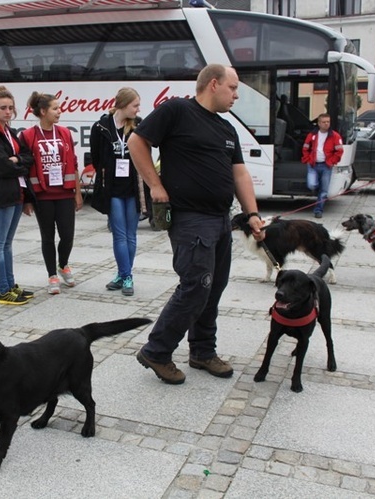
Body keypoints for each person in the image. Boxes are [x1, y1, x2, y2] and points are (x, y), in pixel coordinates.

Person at [128, 64, 264, 385]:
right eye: (232, 88)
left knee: (212, 289)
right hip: (191, 219)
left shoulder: (227, 129)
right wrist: (155, 185)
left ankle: (202, 352)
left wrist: (253, 214)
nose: (236, 95)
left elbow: (240, 173)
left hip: (221, 220)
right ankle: (157, 351)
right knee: (195, 286)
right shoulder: (177, 110)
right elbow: (138, 142)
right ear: (213, 84)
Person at [20, 91, 82, 294]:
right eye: (55, 108)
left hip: (64, 193)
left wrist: (78, 193)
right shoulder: (28, 136)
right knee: (48, 237)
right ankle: (52, 276)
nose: (59, 111)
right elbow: (25, 169)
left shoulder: (64, 132)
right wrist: (27, 199)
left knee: (68, 235)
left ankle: (63, 264)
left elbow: (73, 163)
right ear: (43, 111)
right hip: (42, 196)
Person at [0, 86, 36, 305]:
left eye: (11, 108)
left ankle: (11, 285)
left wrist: (17, 160)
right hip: (2, 193)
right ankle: (3, 290)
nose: (8, 112)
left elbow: (28, 157)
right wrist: (16, 162)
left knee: (7, 244)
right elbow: (2, 167)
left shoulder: (10, 133)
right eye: (3, 108)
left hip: (16, 192)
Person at [90, 87, 142, 296]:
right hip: (112, 188)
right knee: (119, 234)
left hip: (133, 186)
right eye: (135, 105)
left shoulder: (138, 125)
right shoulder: (101, 126)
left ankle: (123, 274)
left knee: (131, 234)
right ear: (121, 104)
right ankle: (126, 275)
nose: (138, 110)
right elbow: (96, 158)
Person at [301, 113, 343, 218]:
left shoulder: (335, 136)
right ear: (319, 123)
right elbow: (305, 148)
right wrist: (307, 159)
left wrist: (332, 161)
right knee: (312, 185)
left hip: (326, 166)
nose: (326, 124)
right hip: (313, 165)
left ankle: (318, 210)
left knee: (324, 191)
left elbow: (339, 151)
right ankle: (317, 189)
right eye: (324, 122)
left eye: (328, 122)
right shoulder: (312, 135)